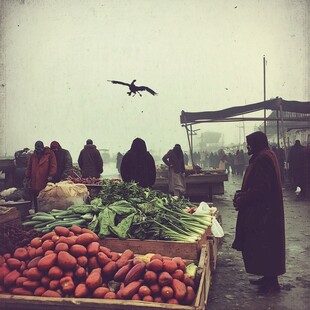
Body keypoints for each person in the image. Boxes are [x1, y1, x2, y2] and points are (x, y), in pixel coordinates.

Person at [232, 131, 285, 293]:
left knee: (264, 245)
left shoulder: (263, 159)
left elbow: (262, 188)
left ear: (257, 144)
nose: (247, 147)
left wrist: (244, 197)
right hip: (266, 210)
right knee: (265, 246)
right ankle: (268, 277)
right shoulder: (266, 155)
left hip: (263, 213)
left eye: (250, 144)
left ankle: (272, 283)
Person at [25, 141, 57, 212]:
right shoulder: (33, 155)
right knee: (35, 196)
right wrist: (27, 175)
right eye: (36, 149)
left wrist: (51, 175)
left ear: (43, 148)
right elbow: (29, 166)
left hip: (44, 180)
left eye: (39, 149)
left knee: (44, 197)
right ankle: (37, 211)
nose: (38, 151)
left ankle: (45, 212)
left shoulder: (50, 154)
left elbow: (53, 165)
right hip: (35, 180)